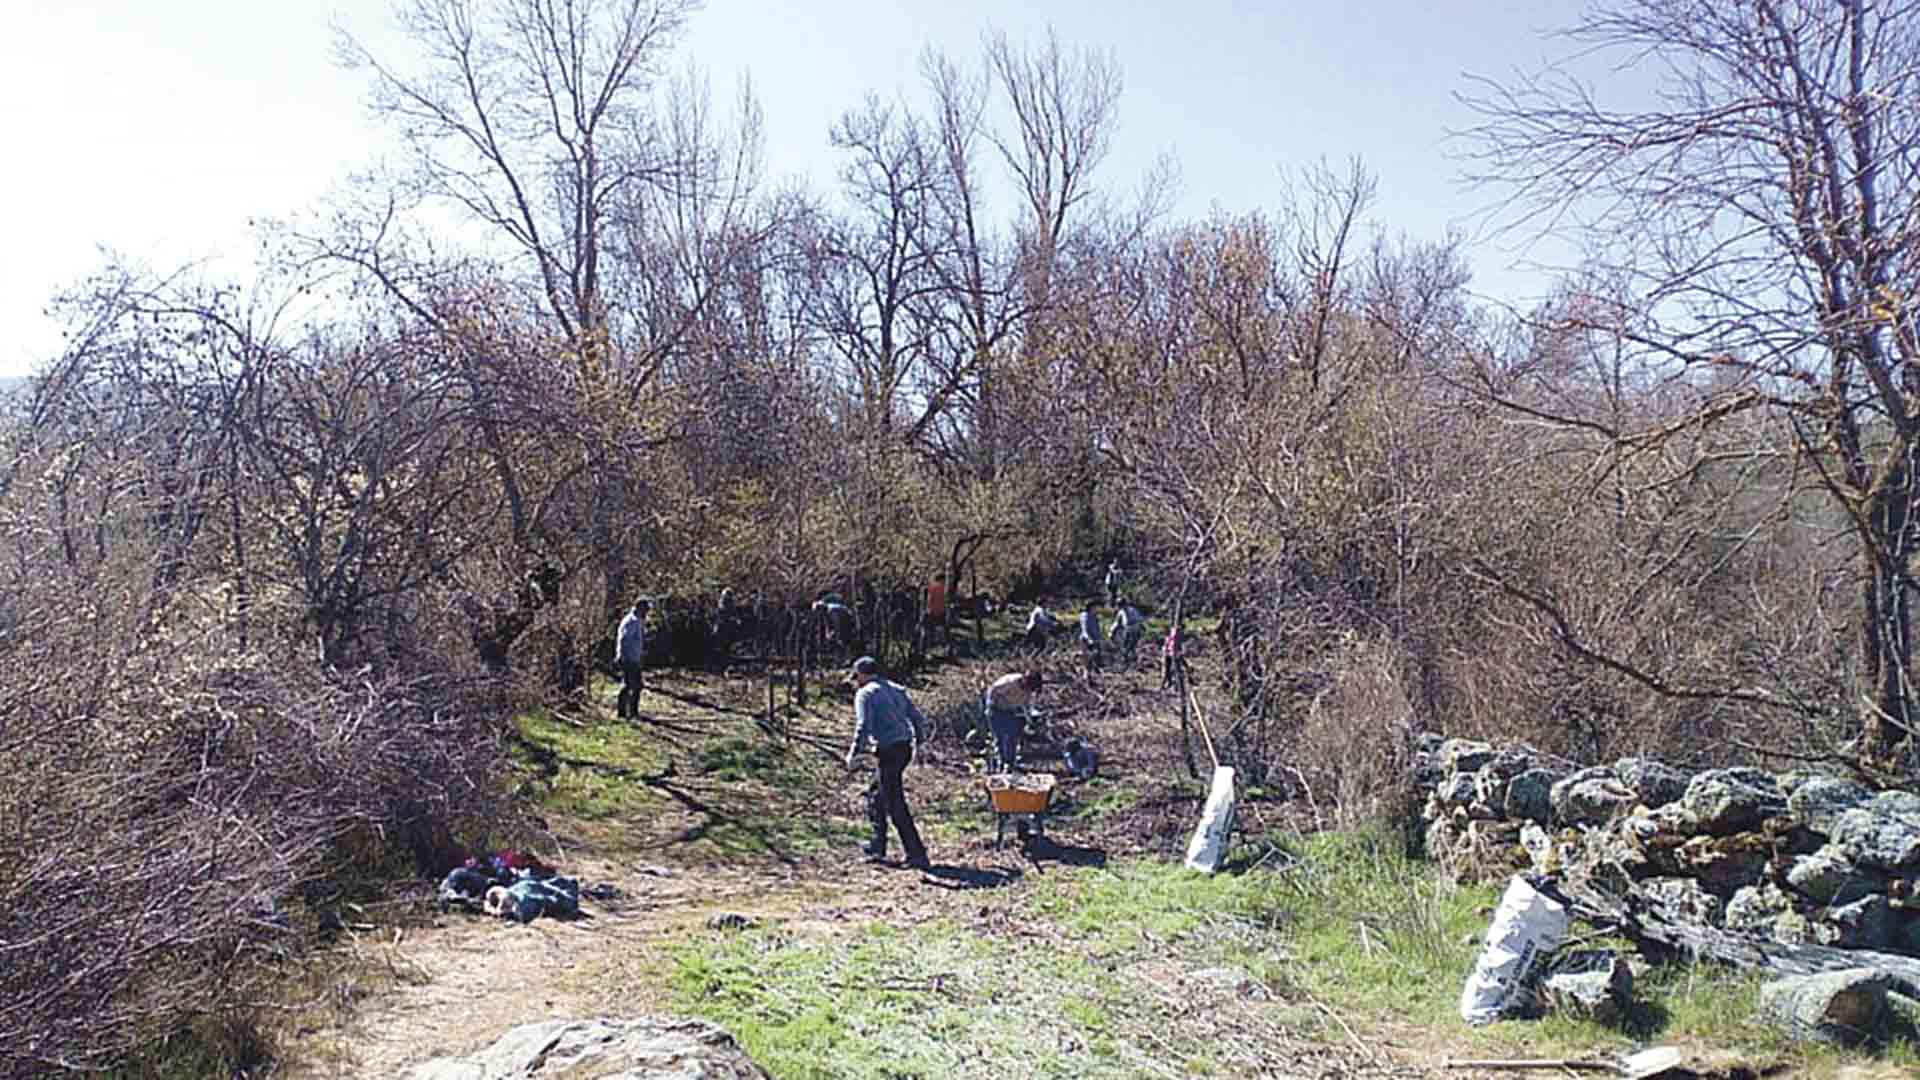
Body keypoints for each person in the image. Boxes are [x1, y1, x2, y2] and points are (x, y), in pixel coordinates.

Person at [843, 656, 931, 870]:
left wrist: (853, 754)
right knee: (876, 795)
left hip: (889, 752)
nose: (857, 681)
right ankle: (877, 846)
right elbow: (917, 718)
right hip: (903, 749)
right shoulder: (897, 689)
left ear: (861, 674)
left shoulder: (865, 694)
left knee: (894, 803)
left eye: (857, 677)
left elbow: (863, 726)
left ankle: (916, 854)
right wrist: (920, 742)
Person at [981, 669, 1043, 771]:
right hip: (996, 709)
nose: (1029, 690)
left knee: (1012, 737)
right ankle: (1000, 763)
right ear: (1025, 680)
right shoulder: (1010, 682)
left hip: (1011, 711)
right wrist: (991, 707)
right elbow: (993, 691)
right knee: (999, 738)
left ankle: (1010, 763)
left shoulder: (1028, 691)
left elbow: (1026, 705)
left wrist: (1029, 719)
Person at [615, 600, 648, 719]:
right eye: (646, 609)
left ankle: (632, 712)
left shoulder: (636, 621)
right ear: (640, 608)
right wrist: (623, 656)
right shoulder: (631, 621)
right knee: (629, 685)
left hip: (634, 658)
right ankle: (622, 712)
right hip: (629, 659)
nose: (647, 612)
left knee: (637, 685)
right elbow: (624, 640)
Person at [1111, 599, 1146, 666]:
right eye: (1119, 605)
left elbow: (1140, 619)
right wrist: (1112, 631)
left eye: (1121, 604)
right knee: (1125, 645)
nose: (1121, 606)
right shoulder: (1121, 612)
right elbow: (1117, 623)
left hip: (1135, 629)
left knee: (1131, 645)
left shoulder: (1132, 610)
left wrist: (1142, 627)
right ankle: (1127, 659)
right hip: (1128, 629)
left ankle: (1131, 659)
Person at [923, 572, 949, 650]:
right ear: (941, 579)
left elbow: (929, 599)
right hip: (938, 611)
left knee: (930, 630)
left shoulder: (932, 586)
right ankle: (940, 646)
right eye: (944, 580)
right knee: (941, 630)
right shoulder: (940, 587)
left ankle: (929, 647)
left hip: (933, 611)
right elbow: (934, 600)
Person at [1078, 602, 1104, 672]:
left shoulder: (1094, 616)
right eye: (1095, 607)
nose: (1096, 609)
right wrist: (1089, 639)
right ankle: (1085, 673)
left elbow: (1097, 629)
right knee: (1087, 658)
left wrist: (1100, 638)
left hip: (1095, 640)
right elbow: (1084, 629)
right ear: (1091, 608)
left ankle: (1092, 672)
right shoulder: (1084, 616)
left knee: (1096, 656)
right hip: (1086, 640)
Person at [1161, 622, 1186, 691]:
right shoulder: (1173, 633)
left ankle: (1174, 686)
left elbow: (1181, 646)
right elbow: (1167, 643)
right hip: (1169, 654)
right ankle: (1166, 684)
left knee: (1174, 671)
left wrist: (1180, 653)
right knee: (1167, 671)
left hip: (1174, 654)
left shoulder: (1178, 635)